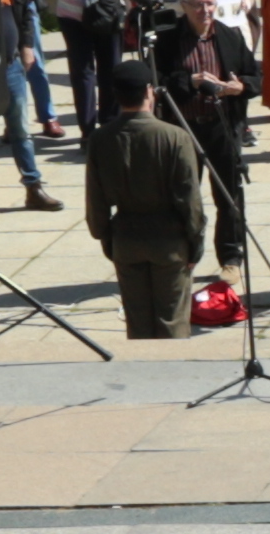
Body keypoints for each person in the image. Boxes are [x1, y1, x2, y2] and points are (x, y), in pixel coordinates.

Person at [84, 70, 208, 340]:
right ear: (149, 92)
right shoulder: (175, 137)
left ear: (116, 97)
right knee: (172, 320)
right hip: (170, 240)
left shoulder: (101, 139)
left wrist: (107, 238)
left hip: (126, 238)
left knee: (137, 323)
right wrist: (195, 242)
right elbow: (189, 199)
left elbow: (96, 201)